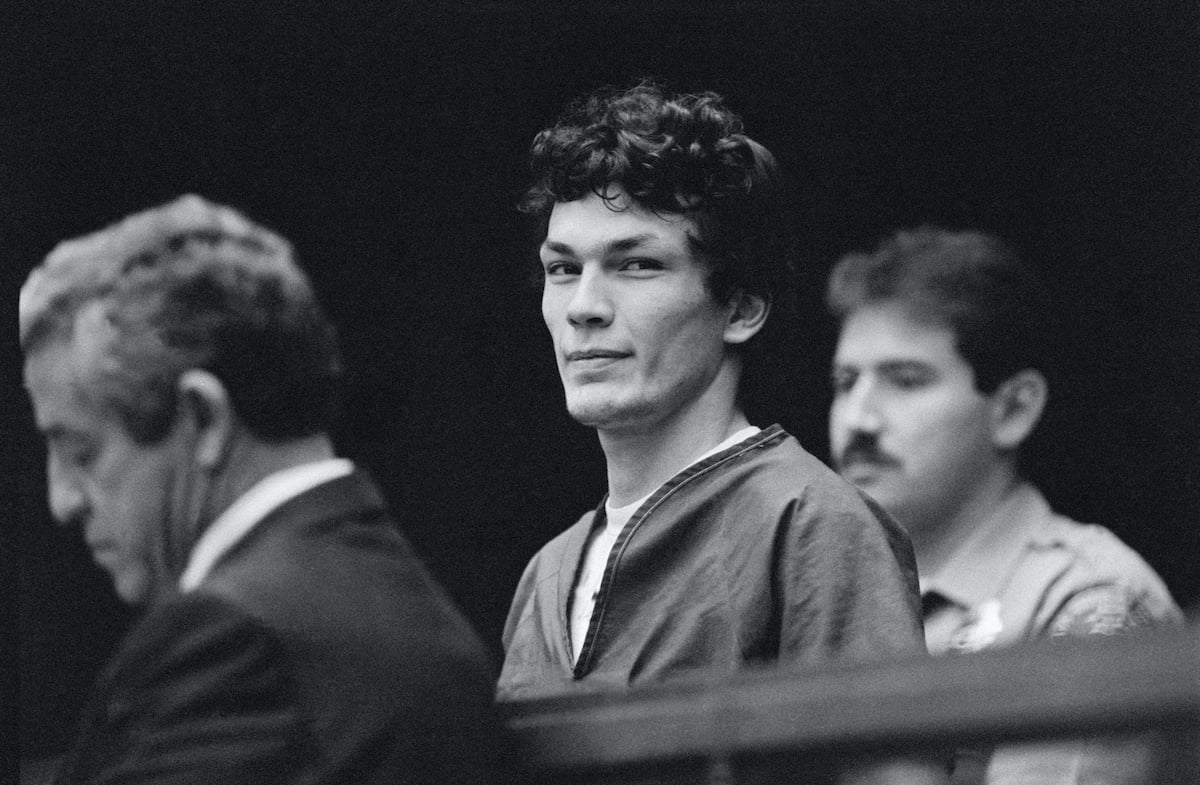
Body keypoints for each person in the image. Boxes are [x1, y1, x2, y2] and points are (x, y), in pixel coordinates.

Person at [20, 195, 503, 785]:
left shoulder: (229, 645)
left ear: (204, 419)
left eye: (81, 451)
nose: (62, 500)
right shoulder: (411, 610)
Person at [497, 83, 928, 701]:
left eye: (637, 264)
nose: (583, 306)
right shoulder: (544, 574)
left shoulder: (812, 525)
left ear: (742, 309)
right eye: (563, 269)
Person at [827, 227, 1183, 784]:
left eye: (907, 380)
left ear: (1014, 409)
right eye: (846, 382)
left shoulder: (1091, 598)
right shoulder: (825, 589)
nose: (859, 418)